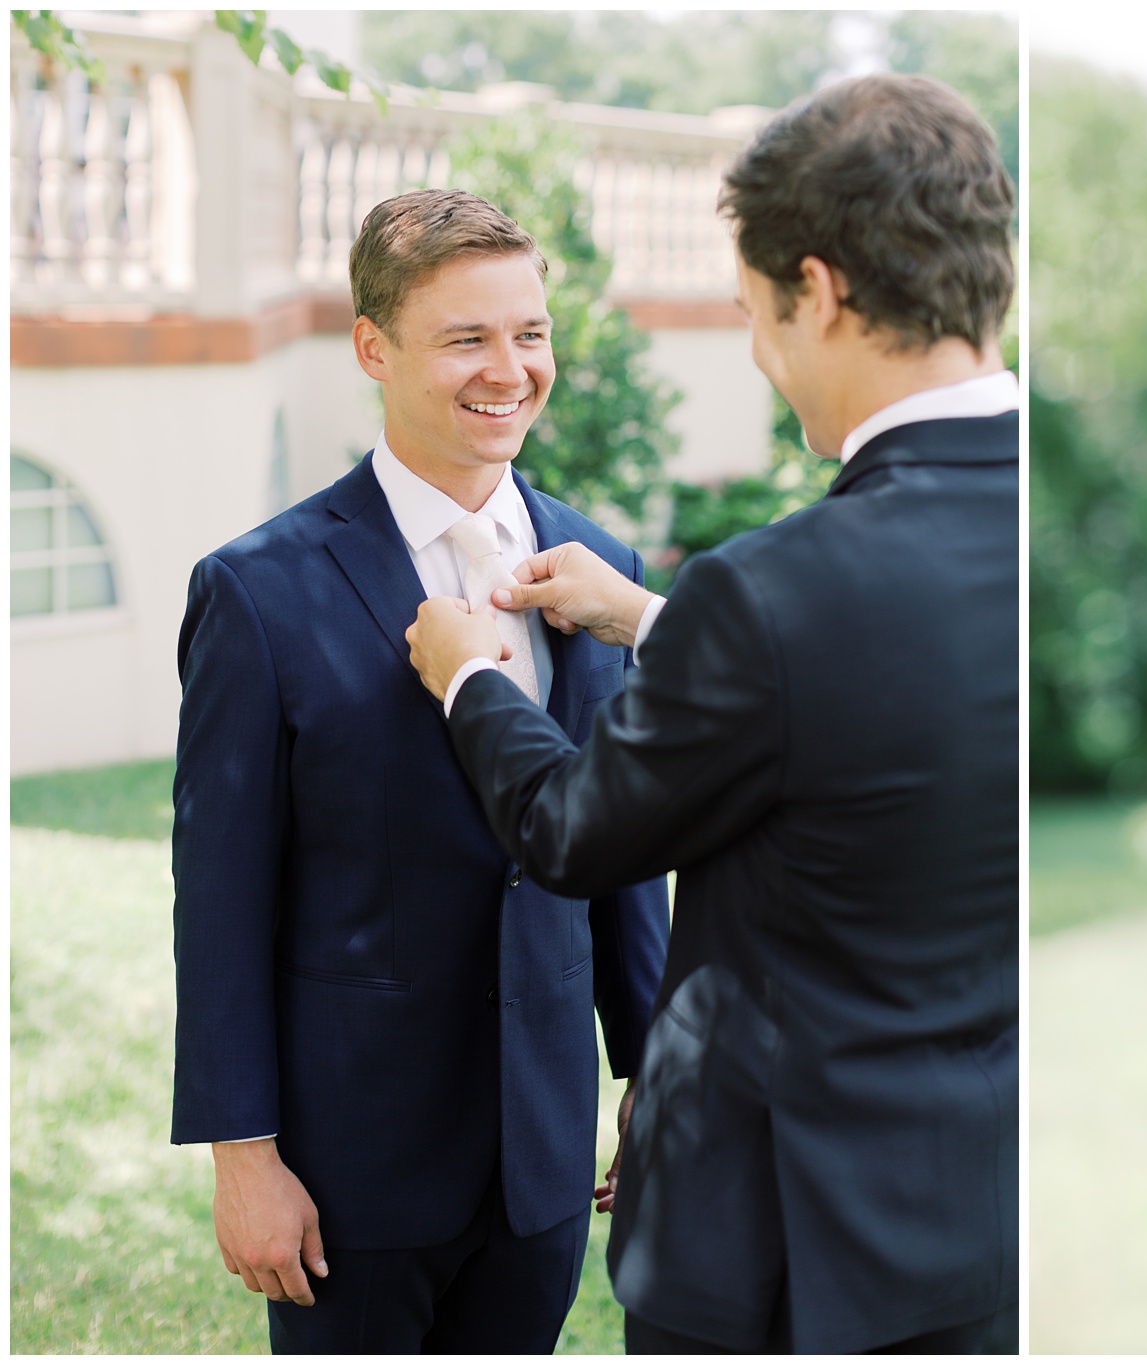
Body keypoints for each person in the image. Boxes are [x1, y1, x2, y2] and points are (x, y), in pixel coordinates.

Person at [404, 73, 1019, 1355]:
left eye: (752, 312)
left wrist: (474, 675)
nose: (754, 348)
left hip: (786, 1249)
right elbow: (892, 696)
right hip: (983, 1226)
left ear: (822, 292)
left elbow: (570, 831)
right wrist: (650, 619)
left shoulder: (776, 587)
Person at [171, 188, 670, 1353]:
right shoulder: (256, 590)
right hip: (352, 1167)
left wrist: (652, 1070)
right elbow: (223, 894)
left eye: (529, 334)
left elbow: (622, 849)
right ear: (373, 348)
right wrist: (243, 1157)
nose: (510, 369)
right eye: (467, 338)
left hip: (541, 1159)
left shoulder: (599, 564)